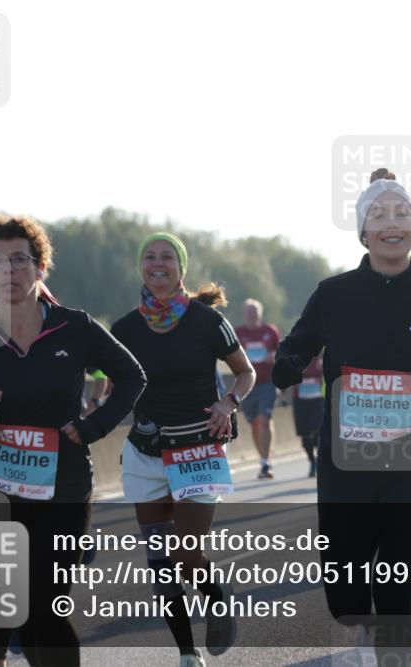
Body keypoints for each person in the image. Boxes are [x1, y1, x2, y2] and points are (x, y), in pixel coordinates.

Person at [272, 168, 411, 665]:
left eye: (402, 213)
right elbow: (298, 344)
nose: (391, 222)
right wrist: (287, 361)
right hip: (347, 467)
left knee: (392, 592)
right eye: (377, 214)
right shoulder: (333, 294)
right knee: (347, 600)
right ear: (362, 231)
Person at [0, 216, 145, 667]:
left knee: (45, 605)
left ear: (40, 267)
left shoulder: (75, 327)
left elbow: (132, 377)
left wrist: (92, 427)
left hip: (63, 488)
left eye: (19, 261)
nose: (9, 272)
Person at [110, 232, 254, 666]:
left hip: (198, 449)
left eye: (167, 257)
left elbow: (244, 373)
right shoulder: (124, 328)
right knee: (160, 561)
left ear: (181, 267)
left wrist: (229, 403)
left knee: (186, 552)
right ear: (141, 266)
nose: (158, 264)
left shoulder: (207, 321)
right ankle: (187, 653)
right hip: (145, 454)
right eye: (149, 256)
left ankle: (214, 595)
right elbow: (112, 386)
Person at [235, 299, 281, 479]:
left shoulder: (270, 331)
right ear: (244, 314)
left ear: (260, 313)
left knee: (264, 419)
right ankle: (263, 458)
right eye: (248, 311)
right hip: (247, 385)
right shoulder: (238, 333)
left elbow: (282, 352)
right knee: (254, 424)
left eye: (254, 311)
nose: (251, 314)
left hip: (267, 383)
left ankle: (265, 461)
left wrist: (274, 355)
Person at [293, 355, 324, 478]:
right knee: (305, 435)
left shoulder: (321, 360)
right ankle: (312, 461)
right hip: (300, 401)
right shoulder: (294, 358)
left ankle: (319, 459)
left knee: (316, 430)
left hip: (318, 401)